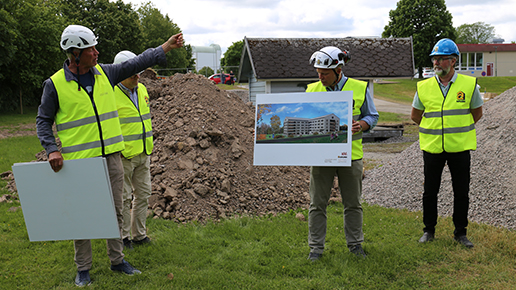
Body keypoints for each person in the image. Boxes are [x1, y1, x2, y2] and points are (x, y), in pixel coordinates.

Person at [36, 24, 183, 286]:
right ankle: (83, 268)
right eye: (90, 48)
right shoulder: (55, 85)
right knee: (82, 216)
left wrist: (165, 47)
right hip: (80, 163)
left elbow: (138, 61)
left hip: (113, 158)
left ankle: (118, 260)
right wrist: (51, 149)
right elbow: (43, 120)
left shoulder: (106, 72)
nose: (96, 52)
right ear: (74, 54)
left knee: (116, 211)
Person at [306, 46, 379, 261]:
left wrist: (362, 125)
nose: (321, 77)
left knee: (353, 203)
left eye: (325, 73)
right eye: (318, 73)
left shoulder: (359, 88)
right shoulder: (311, 90)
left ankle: (355, 245)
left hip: (351, 156)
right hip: (320, 156)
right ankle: (316, 249)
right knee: (317, 204)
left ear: (339, 69)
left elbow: (372, 116)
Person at [411, 38, 483, 248]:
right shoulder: (423, 87)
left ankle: (460, 233)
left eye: (442, 59)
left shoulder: (469, 85)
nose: (436, 63)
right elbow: (416, 116)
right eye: (435, 59)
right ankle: (428, 230)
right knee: (430, 191)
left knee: (461, 191)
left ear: (453, 61)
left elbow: (476, 113)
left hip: (459, 147)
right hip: (432, 147)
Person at [112, 51, 153, 250]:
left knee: (144, 194)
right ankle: (124, 238)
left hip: (144, 153)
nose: (137, 77)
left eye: (139, 73)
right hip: (124, 155)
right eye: (133, 74)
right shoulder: (110, 94)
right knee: (124, 198)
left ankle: (139, 235)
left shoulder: (142, 89)